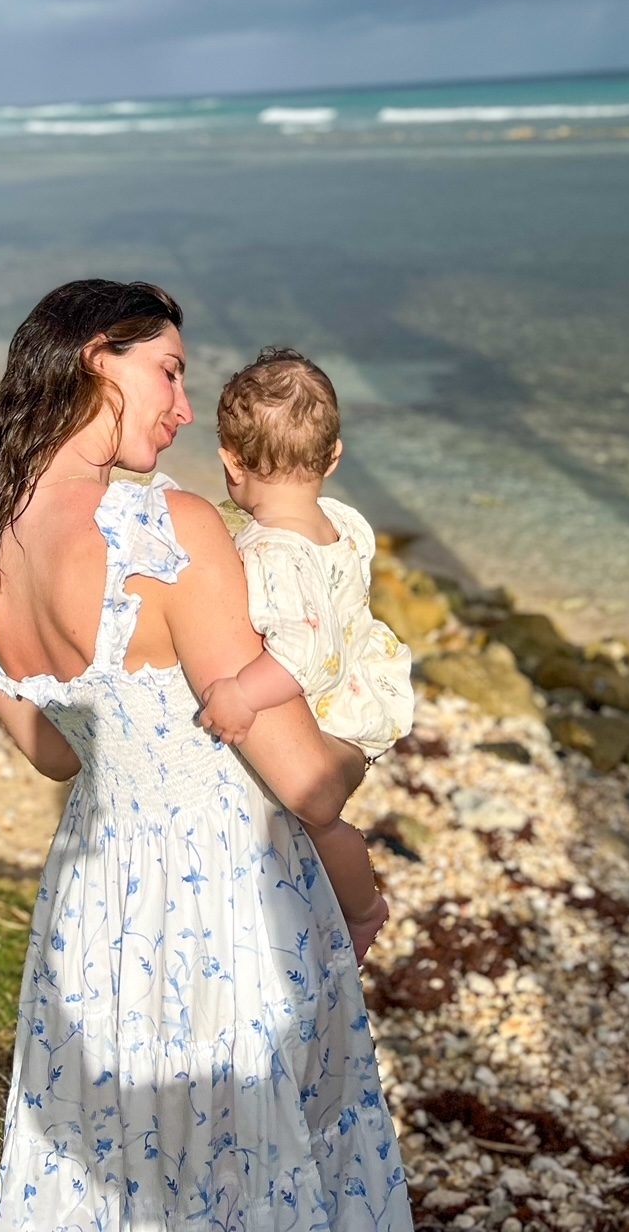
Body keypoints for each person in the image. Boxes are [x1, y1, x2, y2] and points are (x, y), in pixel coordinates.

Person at [0, 279, 411, 1232]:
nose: (185, 410)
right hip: (228, 893)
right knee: (251, 1154)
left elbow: (54, 756)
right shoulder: (167, 531)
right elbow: (304, 779)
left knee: (118, 1151)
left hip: (94, 902)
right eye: (170, 373)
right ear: (98, 357)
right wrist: (362, 745)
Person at [196, 348, 413, 961]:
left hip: (333, 715)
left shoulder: (272, 552)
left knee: (321, 820)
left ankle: (364, 909)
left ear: (230, 462)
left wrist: (242, 693)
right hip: (365, 692)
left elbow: (304, 652)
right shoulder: (340, 520)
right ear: (334, 457)